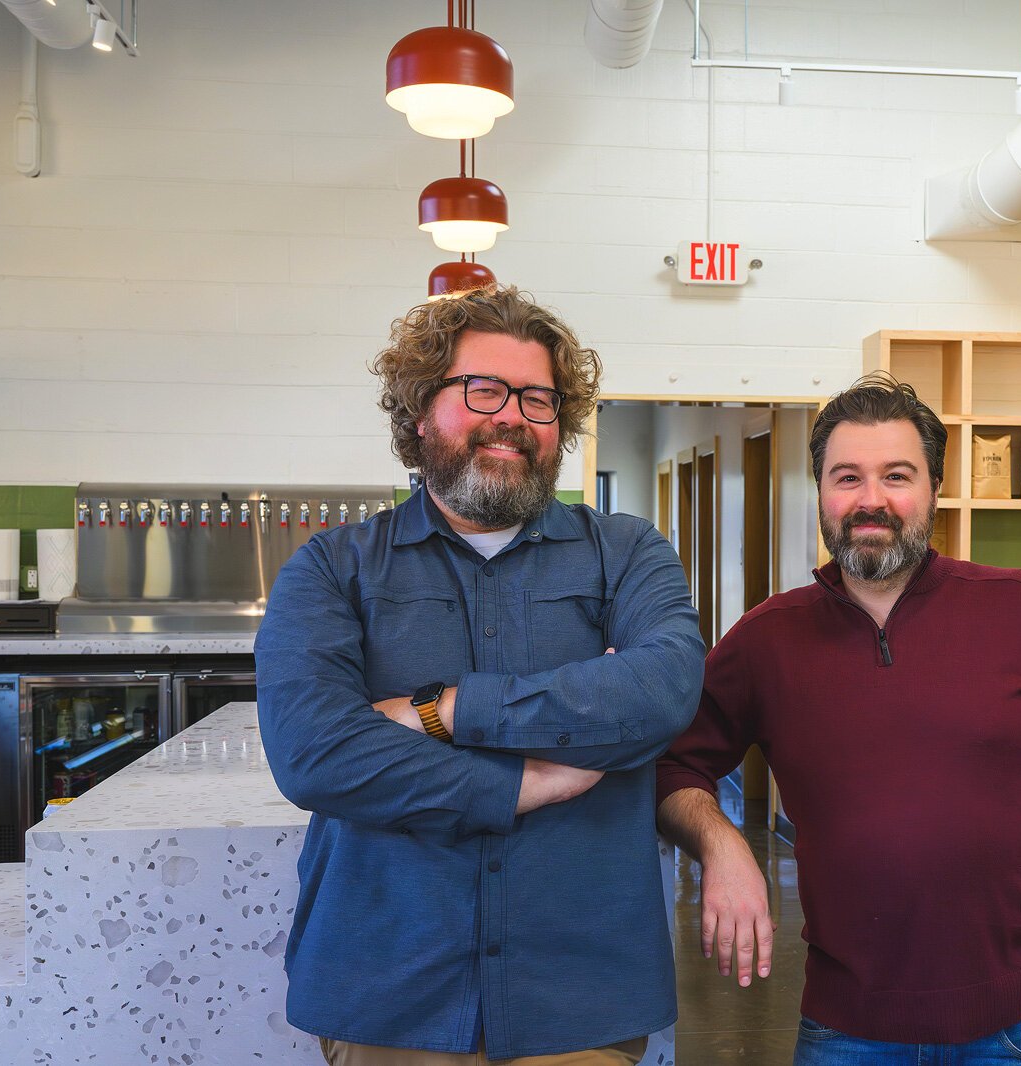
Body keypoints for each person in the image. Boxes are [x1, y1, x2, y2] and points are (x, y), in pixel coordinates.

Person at [655, 373, 1021, 1065]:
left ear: (933, 488)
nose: (870, 500)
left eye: (896, 476)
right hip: (847, 1031)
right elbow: (671, 762)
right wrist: (723, 847)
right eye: (847, 477)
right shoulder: (767, 639)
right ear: (818, 491)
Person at [256, 285, 706, 1066]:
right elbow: (315, 755)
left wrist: (441, 712)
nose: (513, 416)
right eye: (484, 390)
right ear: (421, 409)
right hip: (388, 989)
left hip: (580, 996)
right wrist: (526, 783)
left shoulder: (628, 553)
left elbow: (661, 690)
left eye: (539, 399)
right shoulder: (332, 569)